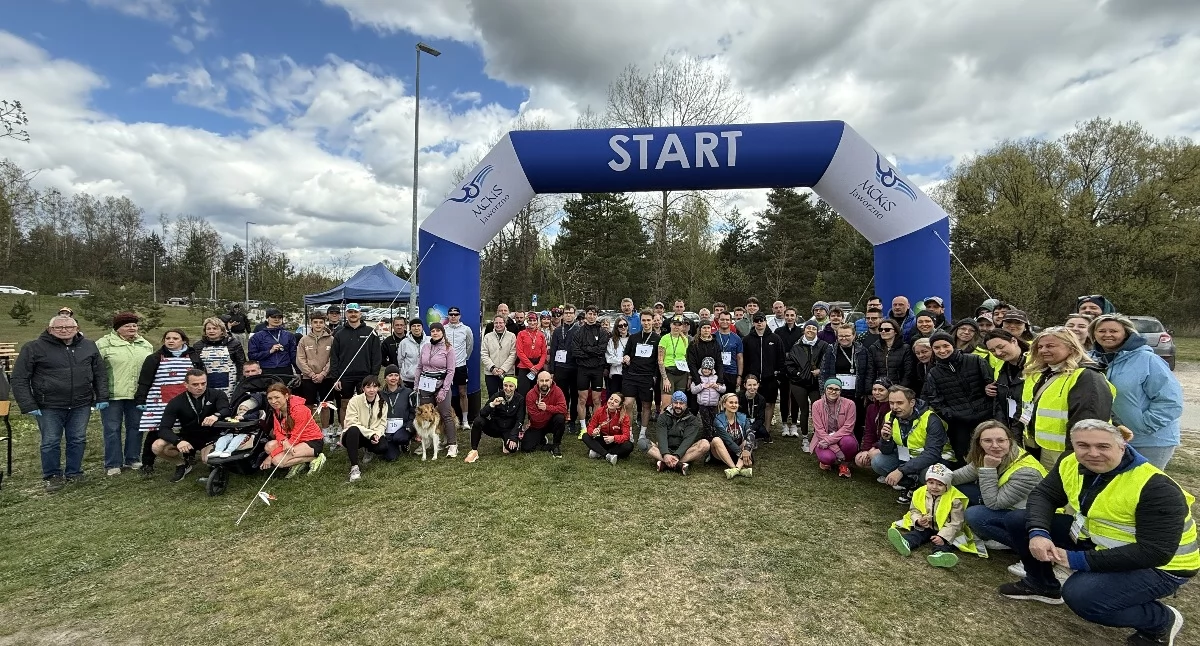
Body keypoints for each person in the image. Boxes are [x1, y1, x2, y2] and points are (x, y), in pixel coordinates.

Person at [998, 420, 1191, 645]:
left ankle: (1160, 621)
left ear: (1123, 446)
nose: (1093, 453)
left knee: (1082, 596)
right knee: (1020, 521)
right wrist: (1039, 533)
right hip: (1097, 541)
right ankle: (1042, 585)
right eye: (1083, 445)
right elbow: (1044, 495)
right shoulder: (1070, 462)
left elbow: (1155, 552)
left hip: (1161, 566)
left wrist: (1076, 559)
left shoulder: (1155, 487)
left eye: (1103, 446)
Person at [11, 314, 108, 491]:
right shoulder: (33, 348)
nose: (64, 330)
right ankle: (52, 475)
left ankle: (74, 473)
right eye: (59, 327)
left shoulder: (89, 346)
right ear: (50, 330)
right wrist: (28, 404)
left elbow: (99, 374)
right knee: (50, 441)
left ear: (77, 329)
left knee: (78, 439)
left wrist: (102, 397)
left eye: (69, 327)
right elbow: (19, 378)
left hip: (81, 403)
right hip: (48, 405)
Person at [1091, 313, 1184, 470]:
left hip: (1149, 441)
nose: (1107, 335)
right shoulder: (1091, 359)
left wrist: (1143, 426)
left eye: (1114, 331)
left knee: (1144, 489)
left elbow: (1170, 401)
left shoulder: (1148, 360)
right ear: (1093, 334)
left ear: (1127, 333)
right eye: (1101, 331)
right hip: (1110, 438)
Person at [1021, 327, 1115, 469]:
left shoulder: (1087, 376)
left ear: (1071, 348)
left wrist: (1076, 451)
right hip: (1046, 447)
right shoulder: (1045, 373)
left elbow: (1089, 420)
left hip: (1071, 451)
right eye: (1040, 347)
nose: (1043, 350)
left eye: (1050, 346)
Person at [950, 420, 1047, 550]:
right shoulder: (990, 454)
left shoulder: (1027, 472)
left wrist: (988, 469)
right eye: (988, 441)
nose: (995, 445)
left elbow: (994, 503)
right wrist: (936, 476)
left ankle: (1019, 544)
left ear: (1009, 441)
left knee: (975, 515)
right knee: (958, 488)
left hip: (1031, 518)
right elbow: (959, 476)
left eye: (1001, 441)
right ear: (979, 442)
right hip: (1008, 504)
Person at [134, 329, 205, 476]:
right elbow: (144, 381)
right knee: (156, 431)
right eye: (168, 338)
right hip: (160, 401)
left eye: (175, 338)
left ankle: (188, 457)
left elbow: (201, 378)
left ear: (183, 341)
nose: (171, 341)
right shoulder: (154, 358)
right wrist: (141, 398)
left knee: (187, 430)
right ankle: (147, 463)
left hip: (187, 400)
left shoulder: (194, 357)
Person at [887, 463, 980, 568]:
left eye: (940, 484)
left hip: (945, 529)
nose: (934, 487)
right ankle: (906, 542)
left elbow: (956, 522)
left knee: (945, 543)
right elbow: (914, 510)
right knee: (918, 533)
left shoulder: (955, 499)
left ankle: (940, 555)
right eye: (931, 483)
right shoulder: (920, 492)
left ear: (947, 485)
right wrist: (918, 520)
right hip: (927, 525)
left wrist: (942, 536)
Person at [872, 385, 955, 503]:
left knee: (927, 474)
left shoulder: (930, 419)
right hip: (909, 458)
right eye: (892, 403)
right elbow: (887, 451)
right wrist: (886, 440)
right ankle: (911, 484)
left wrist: (901, 470)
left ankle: (920, 488)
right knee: (878, 462)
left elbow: (932, 454)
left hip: (938, 460)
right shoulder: (889, 416)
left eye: (900, 403)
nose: (895, 407)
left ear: (912, 403)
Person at [922, 330, 994, 464]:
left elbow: (990, 383)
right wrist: (952, 414)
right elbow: (935, 399)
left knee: (991, 449)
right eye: (936, 348)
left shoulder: (975, 360)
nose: (942, 350)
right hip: (960, 420)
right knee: (963, 454)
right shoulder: (934, 373)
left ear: (952, 345)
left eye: (945, 346)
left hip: (986, 414)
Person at [95, 312, 154, 476]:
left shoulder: (145, 345)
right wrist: (99, 393)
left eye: (134, 325)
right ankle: (113, 463)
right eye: (127, 325)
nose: (132, 328)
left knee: (136, 427)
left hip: (137, 395)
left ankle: (132, 458)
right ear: (118, 328)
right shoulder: (103, 344)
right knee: (112, 428)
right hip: (113, 394)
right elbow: (96, 370)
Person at [150, 369, 229, 483]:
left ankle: (217, 467)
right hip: (188, 437)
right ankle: (182, 464)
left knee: (207, 459)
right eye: (195, 384)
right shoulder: (176, 402)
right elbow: (163, 429)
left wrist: (216, 415)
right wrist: (178, 441)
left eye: (203, 383)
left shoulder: (217, 394)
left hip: (211, 437)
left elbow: (226, 410)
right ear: (186, 385)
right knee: (157, 446)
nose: (200, 387)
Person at [260, 382, 327, 476]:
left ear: (286, 396)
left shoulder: (300, 410)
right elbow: (277, 431)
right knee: (269, 446)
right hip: (292, 440)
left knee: (277, 461)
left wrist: (271, 456)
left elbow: (296, 437)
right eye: (270, 398)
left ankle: (316, 457)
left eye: (277, 397)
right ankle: (298, 462)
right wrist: (284, 441)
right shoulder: (277, 409)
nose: (273, 401)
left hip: (311, 441)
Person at [330, 303, 382, 422]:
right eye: (350, 312)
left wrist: (374, 376)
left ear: (360, 314)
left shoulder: (370, 332)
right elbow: (334, 357)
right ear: (346, 314)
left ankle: (365, 430)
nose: (353, 314)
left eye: (355, 312)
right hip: (345, 376)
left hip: (365, 375)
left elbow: (377, 356)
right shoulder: (339, 333)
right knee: (344, 405)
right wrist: (336, 377)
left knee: (366, 404)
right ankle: (345, 433)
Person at [416, 321, 459, 458]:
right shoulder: (426, 347)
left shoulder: (449, 349)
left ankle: (452, 444)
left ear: (442, 332)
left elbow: (451, 371)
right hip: (425, 384)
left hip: (441, 384)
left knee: (445, 413)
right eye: (433, 331)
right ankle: (427, 441)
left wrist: (444, 390)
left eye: (438, 331)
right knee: (425, 414)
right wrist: (416, 384)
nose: (435, 333)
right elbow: (419, 367)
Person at [820, 323, 869, 442]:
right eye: (841, 336)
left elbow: (867, 371)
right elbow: (824, 371)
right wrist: (823, 391)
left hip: (856, 392)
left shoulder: (862, 350)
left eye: (847, 335)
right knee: (836, 419)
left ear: (854, 335)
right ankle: (834, 443)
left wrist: (866, 391)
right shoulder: (831, 349)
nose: (844, 338)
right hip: (836, 391)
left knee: (856, 420)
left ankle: (854, 445)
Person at [785, 320, 829, 442]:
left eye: (813, 328)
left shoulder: (823, 345)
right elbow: (789, 364)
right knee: (804, 410)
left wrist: (820, 370)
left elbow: (828, 362)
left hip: (815, 383)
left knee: (818, 410)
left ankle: (818, 435)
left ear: (817, 331)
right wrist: (797, 373)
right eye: (808, 328)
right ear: (804, 330)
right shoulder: (796, 346)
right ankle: (805, 437)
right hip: (798, 382)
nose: (810, 330)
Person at [623, 310, 660, 449]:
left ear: (653, 321)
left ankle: (643, 433)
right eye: (643, 320)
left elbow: (658, 360)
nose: (646, 323)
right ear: (640, 321)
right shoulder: (634, 337)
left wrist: (655, 376)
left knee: (646, 405)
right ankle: (629, 431)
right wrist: (626, 358)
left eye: (648, 320)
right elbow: (626, 354)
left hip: (647, 376)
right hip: (632, 375)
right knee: (628, 403)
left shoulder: (657, 339)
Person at [648, 391, 709, 475]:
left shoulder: (692, 420)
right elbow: (662, 437)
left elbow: (688, 440)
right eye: (675, 402)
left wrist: (677, 455)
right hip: (666, 449)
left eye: (681, 403)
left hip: (684, 452)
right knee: (643, 442)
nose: (678, 406)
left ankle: (666, 464)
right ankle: (678, 464)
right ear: (671, 403)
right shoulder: (663, 417)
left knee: (705, 444)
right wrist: (665, 454)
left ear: (686, 405)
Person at [340, 375, 389, 482]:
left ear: (378, 388)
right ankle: (354, 467)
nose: (372, 390)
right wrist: (369, 434)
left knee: (383, 447)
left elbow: (382, 424)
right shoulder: (354, 401)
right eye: (368, 387)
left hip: (371, 434)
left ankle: (369, 450)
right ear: (363, 389)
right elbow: (351, 422)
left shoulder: (383, 403)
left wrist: (377, 435)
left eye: (374, 387)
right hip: (355, 434)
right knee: (353, 430)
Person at [742, 313, 784, 432]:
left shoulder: (775, 338)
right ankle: (752, 429)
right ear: (753, 322)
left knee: (769, 404)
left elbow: (781, 358)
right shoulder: (747, 339)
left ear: (766, 321)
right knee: (752, 403)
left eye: (761, 320)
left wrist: (779, 375)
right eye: (756, 321)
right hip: (752, 378)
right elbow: (743, 358)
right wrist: (745, 376)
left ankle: (766, 429)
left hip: (770, 378)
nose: (759, 323)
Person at [469, 375, 525, 462]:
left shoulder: (520, 399)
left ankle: (505, 440)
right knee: (477, 421)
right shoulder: (497, 395)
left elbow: (520, 420)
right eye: (505, 385)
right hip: (495, 426)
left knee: (512, 449)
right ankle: (474, 450)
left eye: (511, 386)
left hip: (508, 429)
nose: (508, 388)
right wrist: (492, 405)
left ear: (515, 387)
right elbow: (482, 413)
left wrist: (513, 437)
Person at [811, 378, 858, 478]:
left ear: (840, 391)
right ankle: (827, 461)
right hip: (822, 438)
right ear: (825, 389)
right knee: (828, 458)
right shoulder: (816, 405)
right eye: (830, 388)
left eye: (837, 389)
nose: (833, 391)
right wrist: (837, 450)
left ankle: (844, 465)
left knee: (850, 443)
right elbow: (819, 431)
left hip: (842, 437)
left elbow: (848, 428)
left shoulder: (850, 404)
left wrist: (829, 441)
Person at [984, 330, 1030, 429]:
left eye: (1001, 347)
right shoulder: (1001, 365)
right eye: (992, 351)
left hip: (1026, 426)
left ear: (1014, 341)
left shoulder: (1036, 365)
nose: (998, 353)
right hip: (1008, 421)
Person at [571, 305, 608, 429]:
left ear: (597, 316)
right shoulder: (578, 332)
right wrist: (592, 352)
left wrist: (586, 349)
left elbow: (601, 350)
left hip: (597, 369)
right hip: (583, 369)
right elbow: (575, 351)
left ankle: (595, 425)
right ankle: (583, 427)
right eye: (589, 314)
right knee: (582, 399)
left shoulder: (602, 332)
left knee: (597, 400)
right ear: (585, 315)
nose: (591, 316)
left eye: (594, 314)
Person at [194, 316, 246, 399]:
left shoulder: (234, 344)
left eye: (215, 328)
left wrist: (240, 382)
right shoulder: (198, 346)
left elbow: (241, 364)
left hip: (230, 384)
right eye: (208, 329)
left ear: (222, 330)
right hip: (206, 382)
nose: (211, 331)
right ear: (205, 331)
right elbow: (196, 367)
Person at [297, 314, 334, 426]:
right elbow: (300, 359)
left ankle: (325, 430)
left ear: (324, 323)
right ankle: (309, 429)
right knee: (309, 405)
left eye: (321, 322)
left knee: (325, 405)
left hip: (326, 377)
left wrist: (323, 373)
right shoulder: (304, 340)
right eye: (315, 322)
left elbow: (333, 359)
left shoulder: (331, 339)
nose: (318, 324)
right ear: (311, 323)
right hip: (308, 378)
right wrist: (311, 373)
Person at [520, 370, 568, 456]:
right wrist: (552, 411)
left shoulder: (557, 391)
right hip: (537, 425)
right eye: (542, 381)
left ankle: (556, 445)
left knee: (560, 418)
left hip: (552, 423)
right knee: (526, 448)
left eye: (547, 380)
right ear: (537, 381)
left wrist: (547, 408)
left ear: (551, 380)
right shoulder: (530, 394)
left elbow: (564, 409)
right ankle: (547, 445)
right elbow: (535, 418)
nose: (544, 383)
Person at [443, 306, 474, 430]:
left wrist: (464, 358)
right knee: (446, 393)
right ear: (448, 316)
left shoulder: (466, 329)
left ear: (459, 316)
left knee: (462, 392)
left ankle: (465, 421)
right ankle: (448, 419)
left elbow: (470, 346)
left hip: (461, 366)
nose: (453, 316)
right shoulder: (444, 329)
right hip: (446, 367)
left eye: (456, 314)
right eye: (451, 314)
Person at [582, 392, 634, 465]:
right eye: (611, 399)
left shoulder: (624, 417)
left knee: (629, 446)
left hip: (616, 442)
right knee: (585, 436)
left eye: (616, 401)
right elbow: (590, 427)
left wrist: (614, 438)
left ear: (619, 406)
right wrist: (593, 432)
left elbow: (626, 436)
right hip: (603, 439)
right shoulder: (600, 411)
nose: (612, 402)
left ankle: (599, 452)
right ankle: (607, 455)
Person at [549, 304, 579, 429]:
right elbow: (553, 350)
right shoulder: (557, 330)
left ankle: (573, 419)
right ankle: (562, 417)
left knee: (575, 395)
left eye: (571, 313)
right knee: (562, 395)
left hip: (575, 367)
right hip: (560, 367)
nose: (568, 315)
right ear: (563, 315)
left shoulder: (579, 329)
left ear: (575, 315)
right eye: (566, 313)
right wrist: (552, 370)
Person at [711, 392, 754, 479]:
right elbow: (727, 440)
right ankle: (735, 468)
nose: (734, 405)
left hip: (737, 453)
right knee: (716, 440)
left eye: (736, 403)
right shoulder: (718, 420)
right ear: (724, 404)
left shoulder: (743, 417)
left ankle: (736, 469)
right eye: (731, 403)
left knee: (747, 441)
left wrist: (747, 450)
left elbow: (751, 433)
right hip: (721, 453)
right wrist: (741, 453)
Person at [247, 308, 298, 379]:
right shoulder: (257, 336)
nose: (277, 319)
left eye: (279, 317)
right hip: (267, 370)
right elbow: (251, 356)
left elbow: (293, 355)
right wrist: (269, 352)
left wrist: (298, 372)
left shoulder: (289, 335)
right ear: (267, 318)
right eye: (274, 317)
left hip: (285, 369)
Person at [854, 378, 892, 469]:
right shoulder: (871, 408)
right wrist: (866, 449)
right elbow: (869, 431)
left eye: (881, 390)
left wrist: (875, 447)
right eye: (874, 389)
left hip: (889, 445)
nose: (877, 392)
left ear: (889, 391)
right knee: (858, 459)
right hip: (876, 444)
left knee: (873, 454)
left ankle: (889, 469)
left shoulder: (892, 408)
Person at [379, 365, 416, 458]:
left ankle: (405, 443)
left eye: (396, 375)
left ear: (399, 377)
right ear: (385, 378)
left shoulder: (408, 392)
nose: (393, 378)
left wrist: (409, 425)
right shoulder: (380, 395)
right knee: (390, 457)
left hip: (403, 427)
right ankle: (392, 445)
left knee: (400, 438)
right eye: (390, 375)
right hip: (386, 429)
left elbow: (413, 411)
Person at [658, 315, 692, 412]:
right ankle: (663, 426)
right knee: (666, 405)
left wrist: (689, 377)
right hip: (669, 373)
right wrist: (664, 378)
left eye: (679, 325)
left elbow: (687, 359)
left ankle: (677, 426)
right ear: (670, 325)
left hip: (682, 374)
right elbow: (660, 360)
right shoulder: (664, 339)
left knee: (679, 405)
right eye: (674, 324)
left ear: (682, 326)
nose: (676, 327)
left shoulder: (685, 339)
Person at [866, 320, 913, 389]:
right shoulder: (873, 348)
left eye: (887, 329)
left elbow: (908, 373)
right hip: (879, 390)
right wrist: (869, 390)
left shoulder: (905, 348)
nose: (883, 331)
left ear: (896, 331)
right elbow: (870, 372)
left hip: (899, 389)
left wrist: (900, 390)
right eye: (880, 329)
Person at [481, 314, 517, 399]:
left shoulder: (512, 336)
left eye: (500, 322)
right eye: (496, 323)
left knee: (507, 396)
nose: (498, 325)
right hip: (491, 372)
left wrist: (503, 369)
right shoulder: (487, 337)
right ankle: (493, 412)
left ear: (505, 323)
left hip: (507, 372)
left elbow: (513, 354)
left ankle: (506, 413)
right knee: (492, 396)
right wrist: (492, 367)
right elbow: (484, 353)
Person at [689, 357, 726, 438]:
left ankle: (713, 436)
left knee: (714, 421)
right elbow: (693, 390)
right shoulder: (698, 378)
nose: (706, 370)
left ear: (712, 369)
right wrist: (702, 386)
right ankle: (707, 437)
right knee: (706, 422)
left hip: (714, 404)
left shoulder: (716, 378)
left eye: (709, 369)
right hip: (703, 405)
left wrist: (717, 386)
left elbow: (723, 389)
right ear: (701, 368)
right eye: (704, 368)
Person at [714, 311, 744, 394]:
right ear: (718, 320)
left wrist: (739, 376)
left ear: (731, 321)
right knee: (716, 400)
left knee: (730, 398)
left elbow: (740, 358)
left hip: (731, 372)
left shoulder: (737, 338)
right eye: (722, 319)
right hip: (715, 373)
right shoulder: (713, 337)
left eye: (727, 320)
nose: (725, 322)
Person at [738, 374, 769, 444]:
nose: (752, 387)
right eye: (749, 385)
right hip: (741, 423)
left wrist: (752, 428)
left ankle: (754, 439)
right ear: (745, 385)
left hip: (754, 423)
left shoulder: (761, 399)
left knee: (763, 432)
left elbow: (761, 418)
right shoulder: (738, 397)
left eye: (754, 385)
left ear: (758, 385)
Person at [399, 319, 427, 390]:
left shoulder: (429, 341)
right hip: (408, 379)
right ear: (410, 328)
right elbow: (400, 360)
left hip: (425, 377)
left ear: (422, 327)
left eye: (418, 326)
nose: (416, 328)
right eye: (414, 326)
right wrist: (404, 372)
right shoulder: (404, 343)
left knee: (424, 400)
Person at [605, 318, 629, 398]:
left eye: (625, 325)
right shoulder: (612, 341)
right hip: (616, 373)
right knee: (615, 398)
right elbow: (609, 358)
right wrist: (622, 360)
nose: (623, 327)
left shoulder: (632, 339)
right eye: (620, 325)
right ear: (616, 327)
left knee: (626, 399)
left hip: (629, 373)